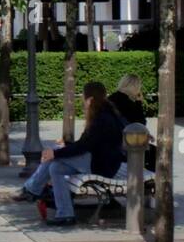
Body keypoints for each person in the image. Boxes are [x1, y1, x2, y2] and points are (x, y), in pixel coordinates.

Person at [14, 81, 126, 226]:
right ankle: (65, 214)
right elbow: (86, 145)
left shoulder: (102, 119)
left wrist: (57, 152)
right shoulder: (104, 114)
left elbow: (84, 147)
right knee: (56, 168)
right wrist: (65, 145)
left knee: (52, 157)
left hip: (101, 165)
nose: (82, 101)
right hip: (97, 161)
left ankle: (32, 190)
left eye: (83, 98)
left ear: (90, 99)